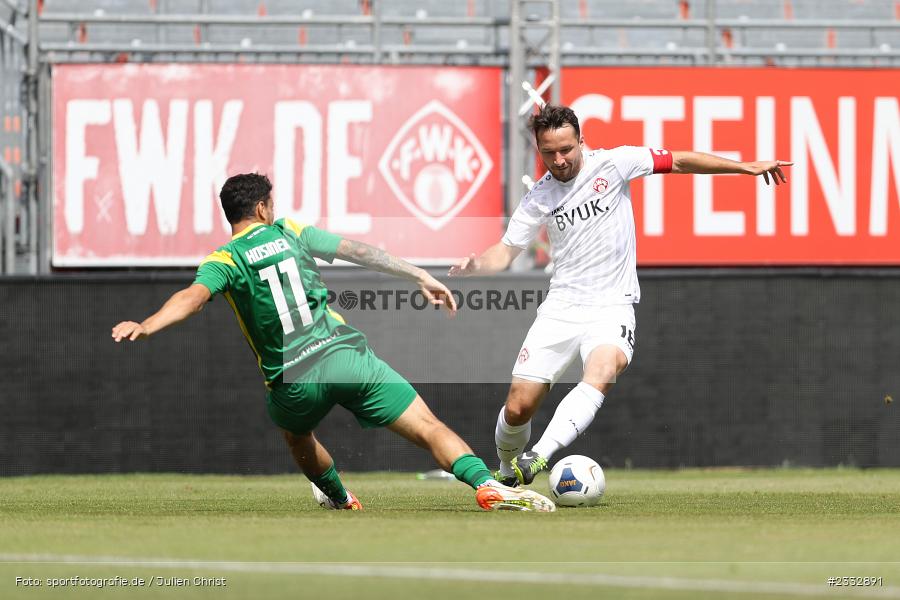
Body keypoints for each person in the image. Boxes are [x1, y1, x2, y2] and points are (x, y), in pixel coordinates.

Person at [112, 173, 555, 513]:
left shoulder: (223, 259)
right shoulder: (288, 231)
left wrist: (148, 325)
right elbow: (358, 252)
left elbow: (192, 299)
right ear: (264, 207)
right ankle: (485, 484)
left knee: (297, 436)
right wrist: (420, 274)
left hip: (292, 381)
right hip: (345, 357)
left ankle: (341, 499)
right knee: (428, 427)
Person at [450, 104, 792, 487]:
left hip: (612, 306)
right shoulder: (539, 198)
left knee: (603, 370)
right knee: (518, 406)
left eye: (566, 149)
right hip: (562, 307)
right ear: (539, 150)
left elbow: (679, 161)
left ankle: (539, 457)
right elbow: (507, 250)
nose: (559, 160)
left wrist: (743, 166)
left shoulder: (615, 164)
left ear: (582, 141)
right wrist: (477, 265)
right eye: (549, 152)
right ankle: (504, 473)